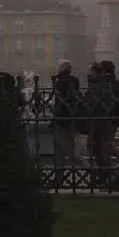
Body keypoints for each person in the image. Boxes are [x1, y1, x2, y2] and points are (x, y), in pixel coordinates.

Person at [49, 59, 82, 187]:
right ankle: (58, 178)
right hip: (68, 119)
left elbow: (60, 102)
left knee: (68, 152)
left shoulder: (60, 82)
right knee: (59, 152)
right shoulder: (74, 81)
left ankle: (92, 169)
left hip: (62, 119)